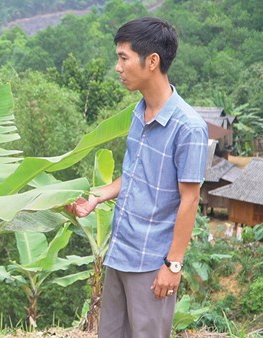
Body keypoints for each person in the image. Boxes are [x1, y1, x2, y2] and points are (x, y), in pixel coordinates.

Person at [66, 17, 208, 338]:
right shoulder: (138, 112)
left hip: (152, 263)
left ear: (152, 61)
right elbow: (134, 174)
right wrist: (97, 196)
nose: (118, 67)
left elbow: (190, 199)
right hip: (120, 251)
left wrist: (173, 266)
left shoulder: (188, 128)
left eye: (123, 57)